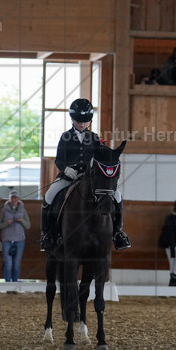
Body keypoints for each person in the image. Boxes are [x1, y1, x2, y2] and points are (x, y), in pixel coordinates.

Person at [39, 98, 131, 252]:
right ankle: (47, 234)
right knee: (49, 195)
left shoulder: (94, 138)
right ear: (72, 119)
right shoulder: (65, 137)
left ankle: (118, 233)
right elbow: (59, 159)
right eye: (78, 121)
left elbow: (103, 158)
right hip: (69, 177)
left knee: (117, 196)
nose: (82, 124)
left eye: (85, 121)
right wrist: (66, 169)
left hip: (91, 178)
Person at [0, 190, 31, 283]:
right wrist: (6, 223)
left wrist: (22, 220)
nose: (14, 200)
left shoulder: (23, 210)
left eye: (15, 198)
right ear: (9, 199)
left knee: (16, 264)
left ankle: (15, 284)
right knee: (8, 264)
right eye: (12, 198)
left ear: (18, 199)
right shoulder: (4, 210)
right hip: (7, 240)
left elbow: (28, 225)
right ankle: (8, 285)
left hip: (19, 241)